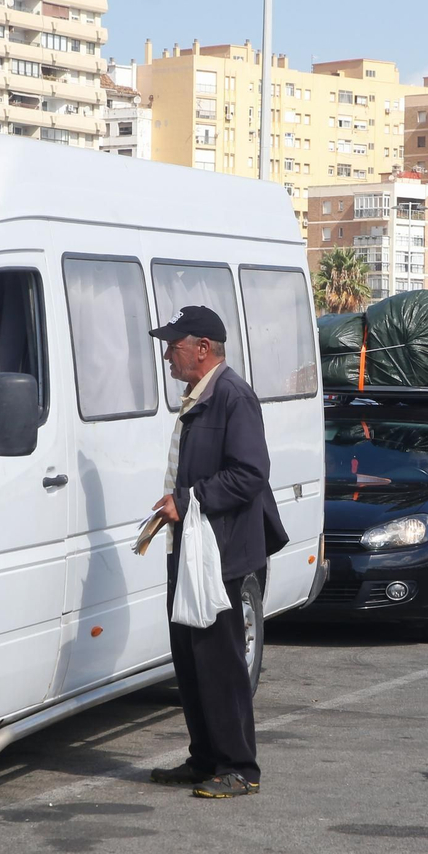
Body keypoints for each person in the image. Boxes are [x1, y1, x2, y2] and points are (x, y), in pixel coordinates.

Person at [147, 305, 287, 800]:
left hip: (221, 554)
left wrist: (186, 501)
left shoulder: (232, 396)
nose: (167, 354)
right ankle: (205, 757)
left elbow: (250, 474)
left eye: (174, 344)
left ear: (202, 348)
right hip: (191, 550)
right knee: (190, 658)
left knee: (222, 662)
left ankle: (238, 767)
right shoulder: (199, 396)